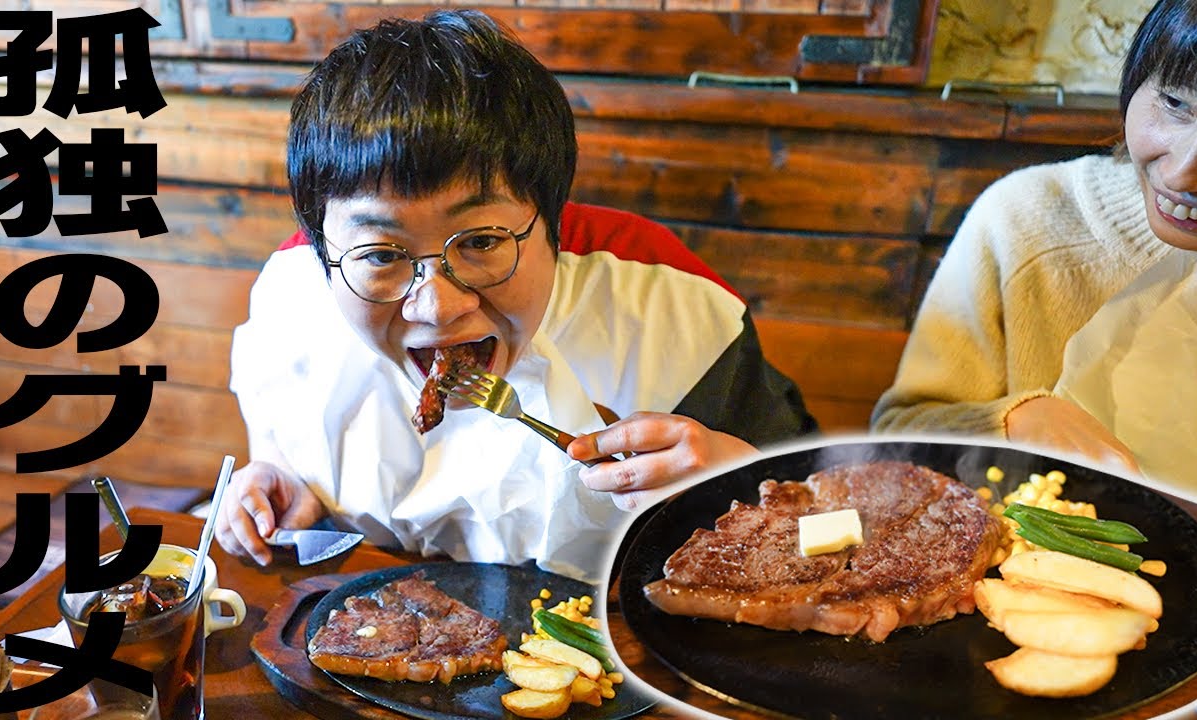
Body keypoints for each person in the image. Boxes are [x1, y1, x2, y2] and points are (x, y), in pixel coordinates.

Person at [214, 10, 816, 581]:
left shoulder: (666, 305)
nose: (438, 306)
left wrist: (740, 485)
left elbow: (825, 523)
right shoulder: (294, 296)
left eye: (480, 241)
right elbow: (293, 453)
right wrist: (285, 486)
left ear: (551, 223)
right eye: (382, 255)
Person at [873, 0, 1197, 514]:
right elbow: (897, 433)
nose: (1184, 173)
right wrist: (1018, 420)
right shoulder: (1030, 221)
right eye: (1176, 102)